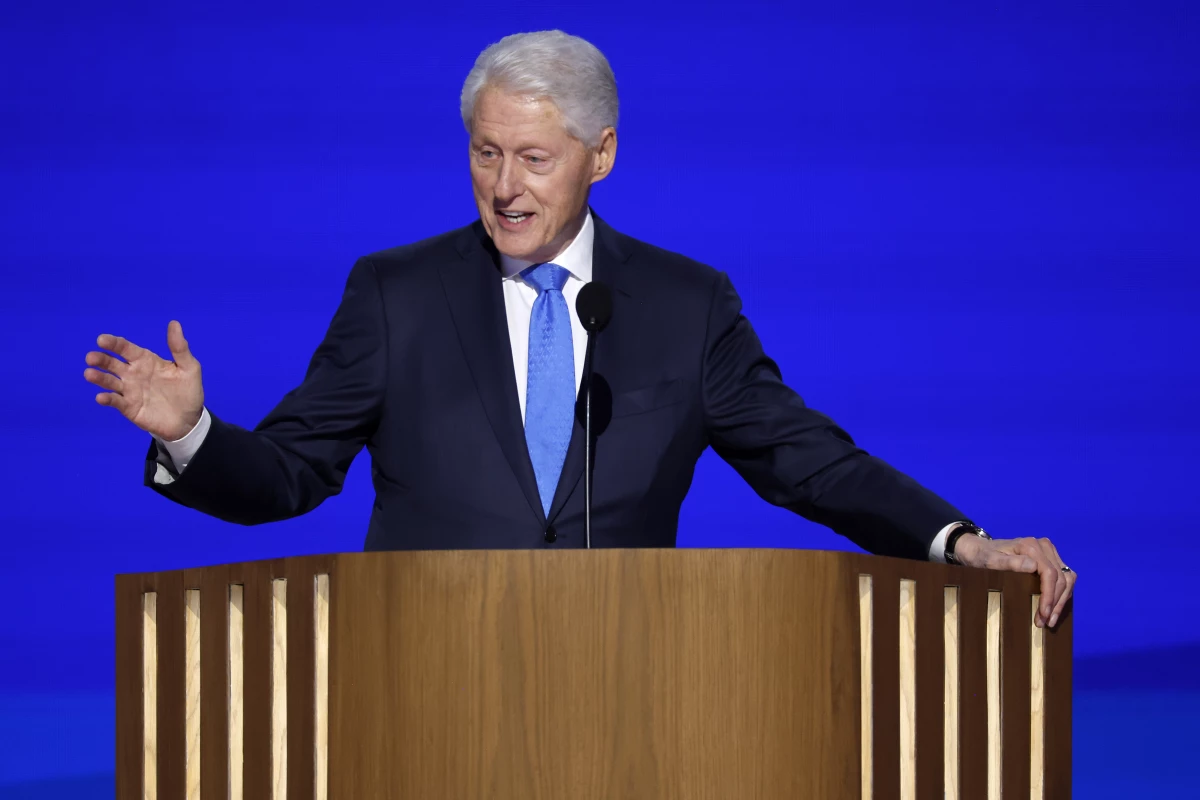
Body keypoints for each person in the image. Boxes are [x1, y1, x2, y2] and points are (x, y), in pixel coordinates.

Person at [84, 30, 1075, 627]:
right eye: (483, 153)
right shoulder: (397, 293)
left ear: (600, 154)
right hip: (415, 687)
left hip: (627, 692)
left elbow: (809, 461)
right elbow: (290, 473)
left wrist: (962, 544)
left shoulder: (688, 305)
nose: (504, 187)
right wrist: (190, 433)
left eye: (533, 157)